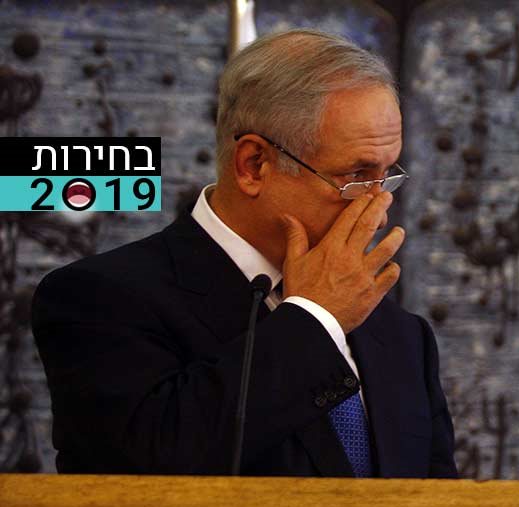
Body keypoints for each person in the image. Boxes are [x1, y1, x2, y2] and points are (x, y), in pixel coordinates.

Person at [31, 29, 458, 478]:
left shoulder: (401, 334)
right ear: (254, 165)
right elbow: (150, 466)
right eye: (356, 176)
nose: (379, 207)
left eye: (387, 176)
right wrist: (314, 320)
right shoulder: (100, 299)